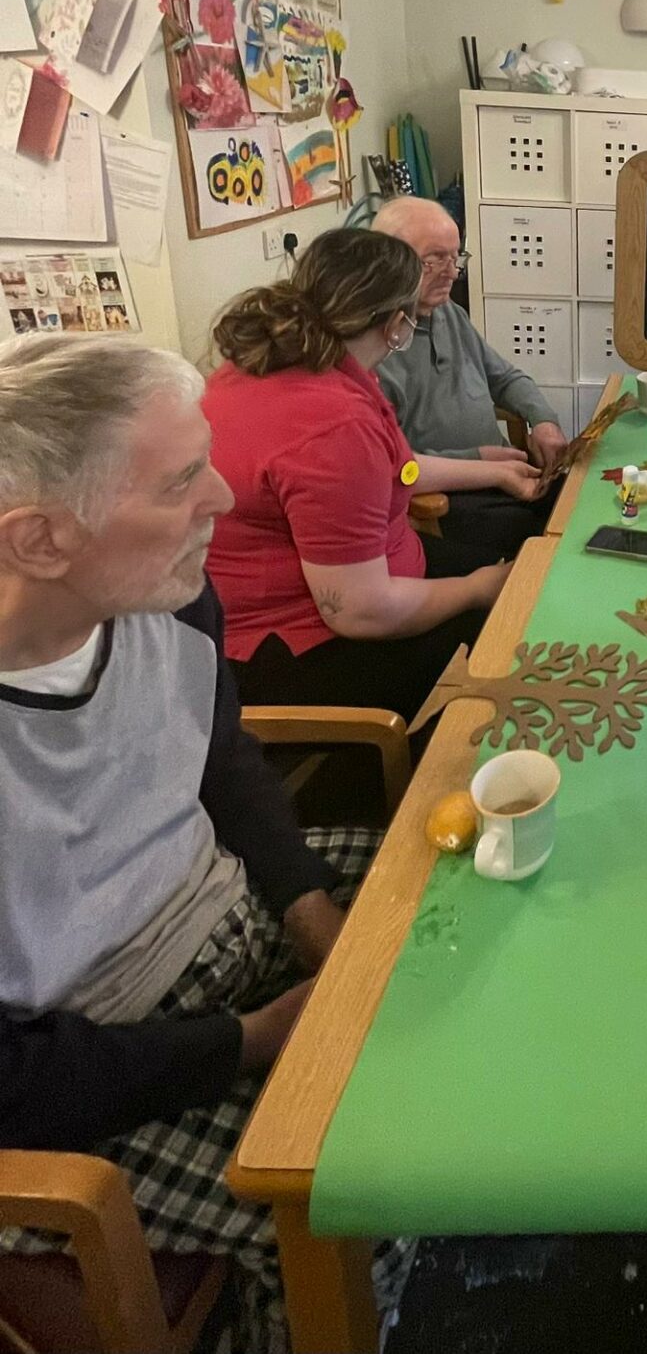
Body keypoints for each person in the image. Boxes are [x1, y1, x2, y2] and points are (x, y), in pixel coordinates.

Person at [0, 333, 408, 1353]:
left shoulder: (167, 594)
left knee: (469, 921)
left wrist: (310, 910)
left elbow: (218, 755)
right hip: (101, 1065)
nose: (224, 497)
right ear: (40, 541)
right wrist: (259, 1038)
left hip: (231, 926)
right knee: (368, 1193)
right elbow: (20, 1083)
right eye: (182, 481)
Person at [204, 227, 532, 720]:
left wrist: (490, 470)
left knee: (522, 571)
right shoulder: (332, 427)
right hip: (296, 641)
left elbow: (393, 472)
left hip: (370, 576)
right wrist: (478, 589)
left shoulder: (286, 362)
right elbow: (359, 612)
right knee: (512, 636)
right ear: (397, 325)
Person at [374, 197, 568, 561]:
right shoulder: (375, 348)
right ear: (389, 261)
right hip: (451, 495)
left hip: (502, 473)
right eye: (434, 259)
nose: (451, 273)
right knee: (550, 541)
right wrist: (479, 460)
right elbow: (392, 466)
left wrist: (543, 420)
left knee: (583, 495)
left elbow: (505, 378)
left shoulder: (449, 313)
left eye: (455, 257)